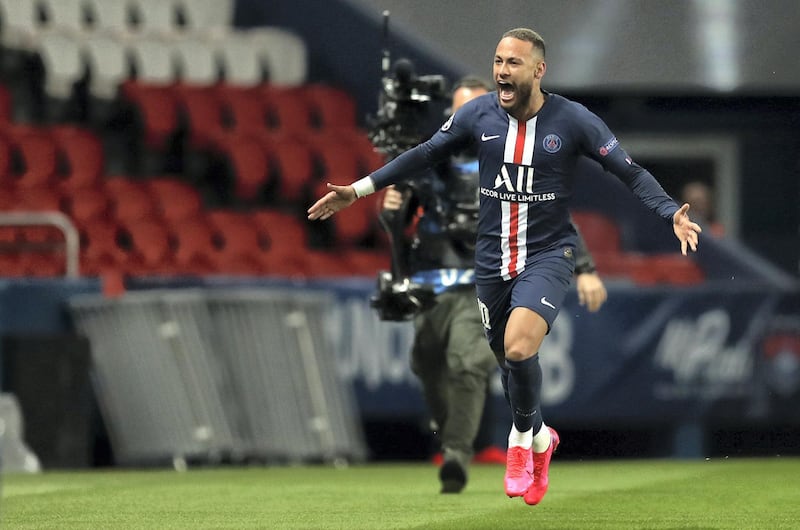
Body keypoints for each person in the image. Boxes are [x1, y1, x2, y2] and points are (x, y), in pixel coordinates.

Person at [309, 28, 701, 505]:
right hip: (492, 262)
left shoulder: (574, 121)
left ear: (538, 70)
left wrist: (669, 212)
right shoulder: (477, 114)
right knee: (510, 367)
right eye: (497, 61)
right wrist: (359, 189)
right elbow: (425, 154)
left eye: (513, 63)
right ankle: (541, 438)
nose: (501, 71)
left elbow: (629, 171)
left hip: (547, 255)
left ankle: (519, 442)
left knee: (518, 349)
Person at [380, 75, 607, 494]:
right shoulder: (434, 160)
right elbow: (398, 216)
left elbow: (552, 216)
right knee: (427, 361)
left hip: (486, 277)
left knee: (468, 363)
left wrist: (585, 267)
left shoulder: (509, 154)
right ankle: (481, 435)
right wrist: (391, 209)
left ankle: (456, 452)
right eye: (456, 110)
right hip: (432, 279)